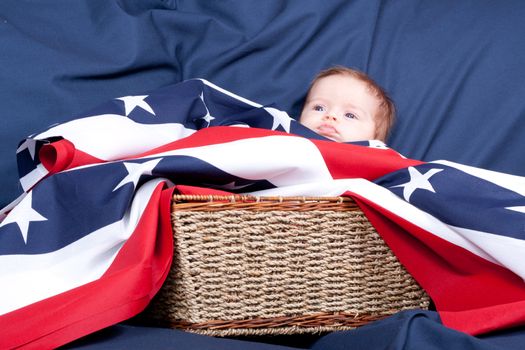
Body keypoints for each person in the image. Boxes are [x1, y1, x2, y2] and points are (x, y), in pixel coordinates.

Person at [299, 66, 395, 143]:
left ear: (375, 139)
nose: (331, 116)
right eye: (318, 108)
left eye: (350, 115)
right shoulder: (288, 141)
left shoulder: (378, 163)